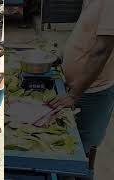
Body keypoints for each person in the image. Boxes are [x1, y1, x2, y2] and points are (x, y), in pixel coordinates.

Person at [47, 0, 114, 156]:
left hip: (93, 92)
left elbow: (103, 49)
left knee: (83, 150)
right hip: (77, 87)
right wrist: (61, 57)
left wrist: (73, 94)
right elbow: (85, 34)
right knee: (71, 143)